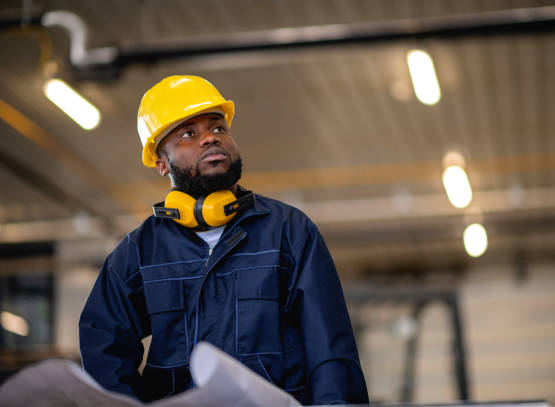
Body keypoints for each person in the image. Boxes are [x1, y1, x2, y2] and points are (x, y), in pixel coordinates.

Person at [79, 75, 369, 405]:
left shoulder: (289, 231)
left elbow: (329, 348)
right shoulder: (139, 253)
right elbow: (105, 350)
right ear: (161, 163)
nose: (210, 140)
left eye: (218, 128)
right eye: (189, 133)